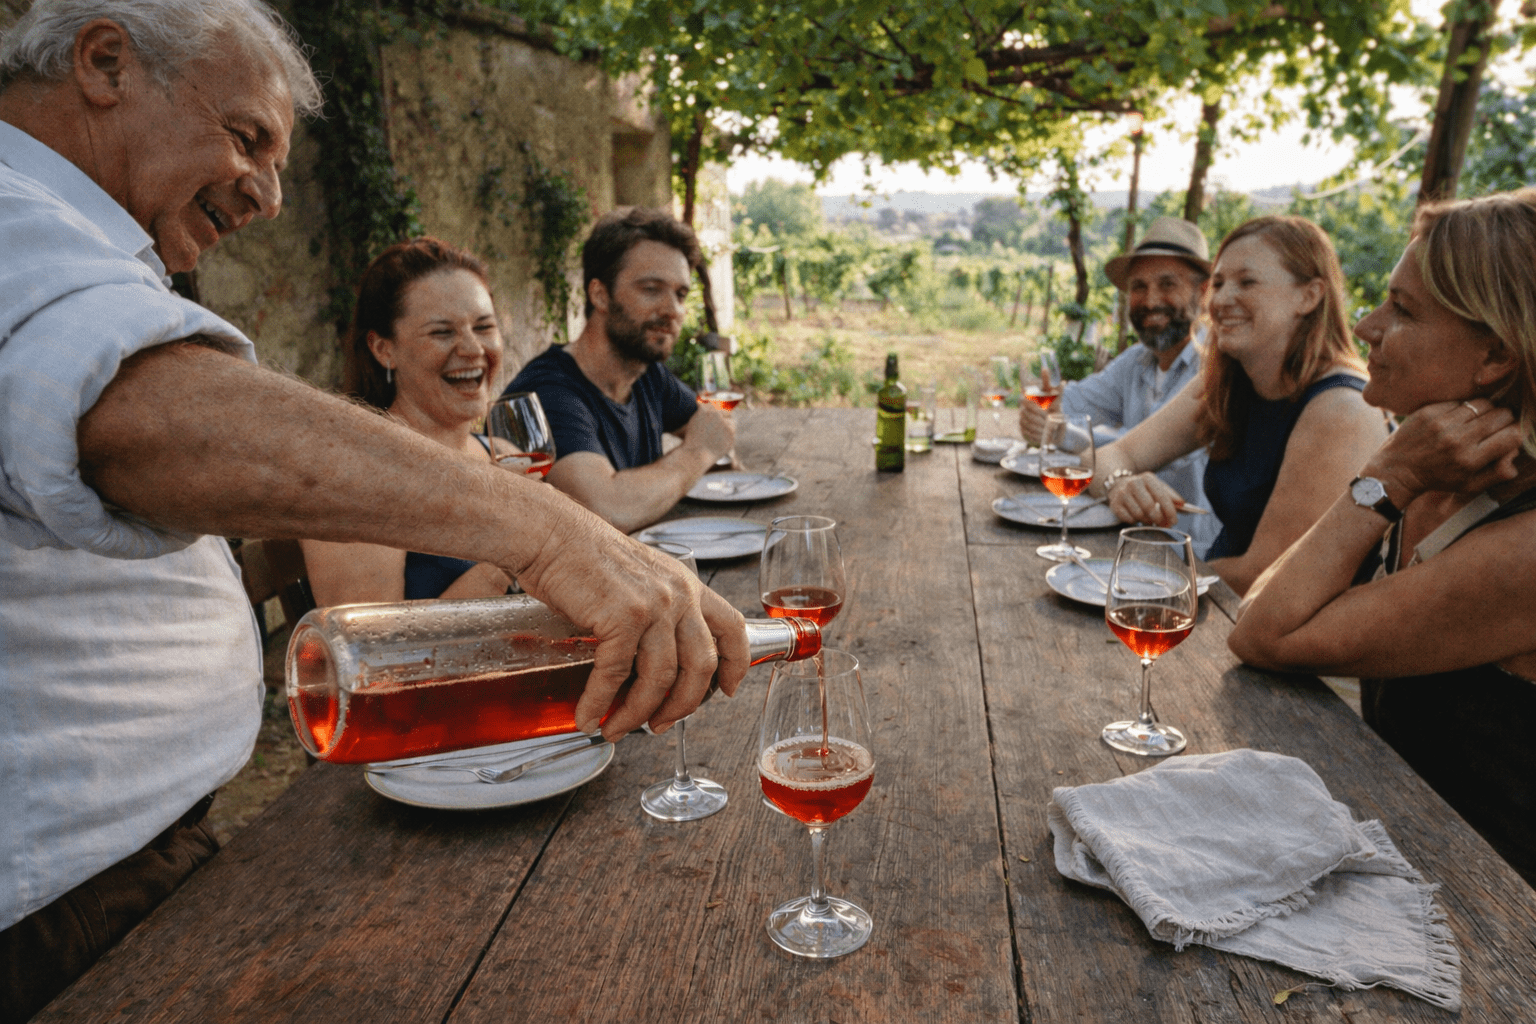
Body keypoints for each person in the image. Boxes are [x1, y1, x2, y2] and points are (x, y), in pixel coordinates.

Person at [0, 3, 746, 1016]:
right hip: (56, 899)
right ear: (102, 62)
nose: (267, 195)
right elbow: (130, 408)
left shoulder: (86, 247)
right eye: (247, 137)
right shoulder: (15, 222)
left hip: (146, 852)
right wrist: (549, 529)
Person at [1229, 190, 1536, 884]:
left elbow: (1264, 632)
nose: (1367, 325)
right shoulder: (1446, 472)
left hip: (1492, 921)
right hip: (1397, 842)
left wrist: (1387, 474)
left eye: (1404, 311)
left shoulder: (1522, 544)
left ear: (1492, 357)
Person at [1092, 216, 1389, 594]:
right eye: (1218, 283)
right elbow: (1110, 456)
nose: (1220, 300)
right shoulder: (1229, 382)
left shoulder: (1342, 409)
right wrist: (1120, 485)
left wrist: (1130, 576)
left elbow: (1266, 575)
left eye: (1246, 282)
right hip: (1213, 599)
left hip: (1268, 628)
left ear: (1309, 296)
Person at [301, 237, 517, 604]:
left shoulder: (507, 458)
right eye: (442, 332)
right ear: (383, 349)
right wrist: (519, 560)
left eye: (483, 327)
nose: (473, 349)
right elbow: (371, 646)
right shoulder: (356, 482)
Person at [503, 207, 735, 533]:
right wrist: (699, 452)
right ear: (600, 294)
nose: (673, 310)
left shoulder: (647, 374)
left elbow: (711, 426)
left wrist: (710, 447)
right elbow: (606, 509)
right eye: (651, 289)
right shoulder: (546, 392)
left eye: (680, 294)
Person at [1019, 215, 1218, 554]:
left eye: (1167, 284)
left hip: (1192, 558)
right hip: (1128, 544)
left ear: (1202, 293)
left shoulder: (1219, 368)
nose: (1150, 300)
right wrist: (1047, 421)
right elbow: (1070, 407)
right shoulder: (1136, 361)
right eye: (1139, 287)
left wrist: (1071, 439)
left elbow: (1124, 453)